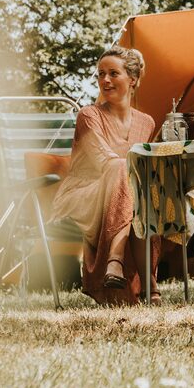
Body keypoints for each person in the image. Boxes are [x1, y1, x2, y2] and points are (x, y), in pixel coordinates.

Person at [48, 47, 164, 304]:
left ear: (132, 79)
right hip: (86, 194)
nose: (105, 80)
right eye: (101, 74)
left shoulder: (147, 122)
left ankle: (124, 269)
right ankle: (138, 276)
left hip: (125, 196)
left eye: (113, 73)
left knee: (140, 193)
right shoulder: (89, 116)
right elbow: (104, 162)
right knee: (120, 168)